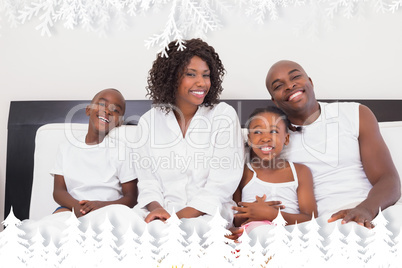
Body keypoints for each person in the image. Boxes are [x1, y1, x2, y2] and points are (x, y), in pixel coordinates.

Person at [265, 60, 401, 228]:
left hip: (373, 211)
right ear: (275, 102)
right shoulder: (273, 141)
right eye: (278, 86)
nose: (290, 85)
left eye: (296, 76)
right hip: (324, 224)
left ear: (311, 82)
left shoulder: (355, 113)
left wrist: (365, 210)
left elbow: (389, 180)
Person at [134, 38, 244, 225]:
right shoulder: (148, 121)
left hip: (208, 214)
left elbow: (221, 184)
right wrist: (157, 210)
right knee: (119, 219)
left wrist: (177, 218)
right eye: (191, 74)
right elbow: (148, 182)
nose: (201, 83)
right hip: (160, 213)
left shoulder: (223, 115)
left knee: (191, 231)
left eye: (206, 75)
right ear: (171, 77)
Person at [228, 106, 317, 240]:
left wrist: (272, 214)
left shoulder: (300, 171)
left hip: (291, 233)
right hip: (255, 233)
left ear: (286, 139)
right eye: (258, 132)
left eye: (274, 131)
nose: (265, 138)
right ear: (249, 139)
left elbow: (310, 218)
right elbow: (236, 221)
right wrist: (254, 213)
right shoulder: (242, 172)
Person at [51, 88, 138, 218]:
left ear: (119, 122)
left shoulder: (122, 151)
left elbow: (131, 198)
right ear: (88, 110)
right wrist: (77, 207)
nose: (107, 111)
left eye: (115, 110)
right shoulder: (66, 147)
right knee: (55, 225)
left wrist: (100, 206)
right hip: (71, 208)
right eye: (102, 104)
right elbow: (58, 191)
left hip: (109, 208)